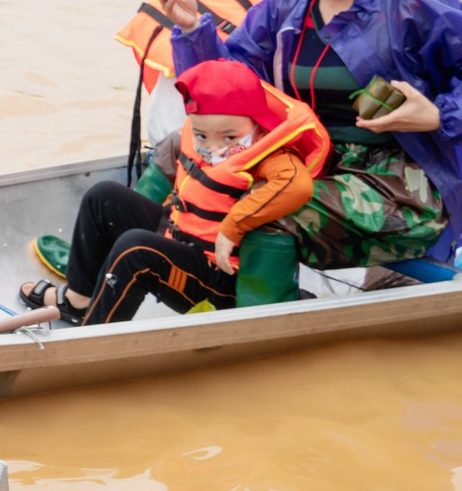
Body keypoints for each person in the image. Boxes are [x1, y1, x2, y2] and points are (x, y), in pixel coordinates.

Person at [158, 0, 462, 269]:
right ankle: (153, 261)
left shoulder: (415, 4)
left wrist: (439, 116)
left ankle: (253, 318)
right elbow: (225, 90)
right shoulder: (284, 7)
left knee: (269, 213)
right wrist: (192, 29)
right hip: (308, 160)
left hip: (400, 179)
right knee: (170, 153)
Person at [22, 60, 327, 324]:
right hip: (179, 239)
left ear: (257, 126)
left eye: (229, 136)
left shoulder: (273, 155)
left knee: (135, 248)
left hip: (219, 280)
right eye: (202, 135)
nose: (213, 147)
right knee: (103, 196)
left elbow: (298, 186)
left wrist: (233, 227)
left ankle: (94, 337)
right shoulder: (196, 137)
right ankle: (79, 301)